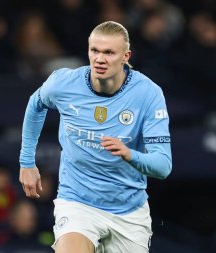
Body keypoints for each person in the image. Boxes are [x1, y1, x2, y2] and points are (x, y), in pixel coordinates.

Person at [19, 21, 172, 253]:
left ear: (125, 56)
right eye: (95, 51)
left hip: (128, 212)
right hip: (77, 202)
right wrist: (27, 162)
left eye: (109, 52)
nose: (100, 59)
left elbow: (163, 166)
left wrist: (130, 155)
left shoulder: (148, 94)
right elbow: (35, 104)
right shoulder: (64, 83)